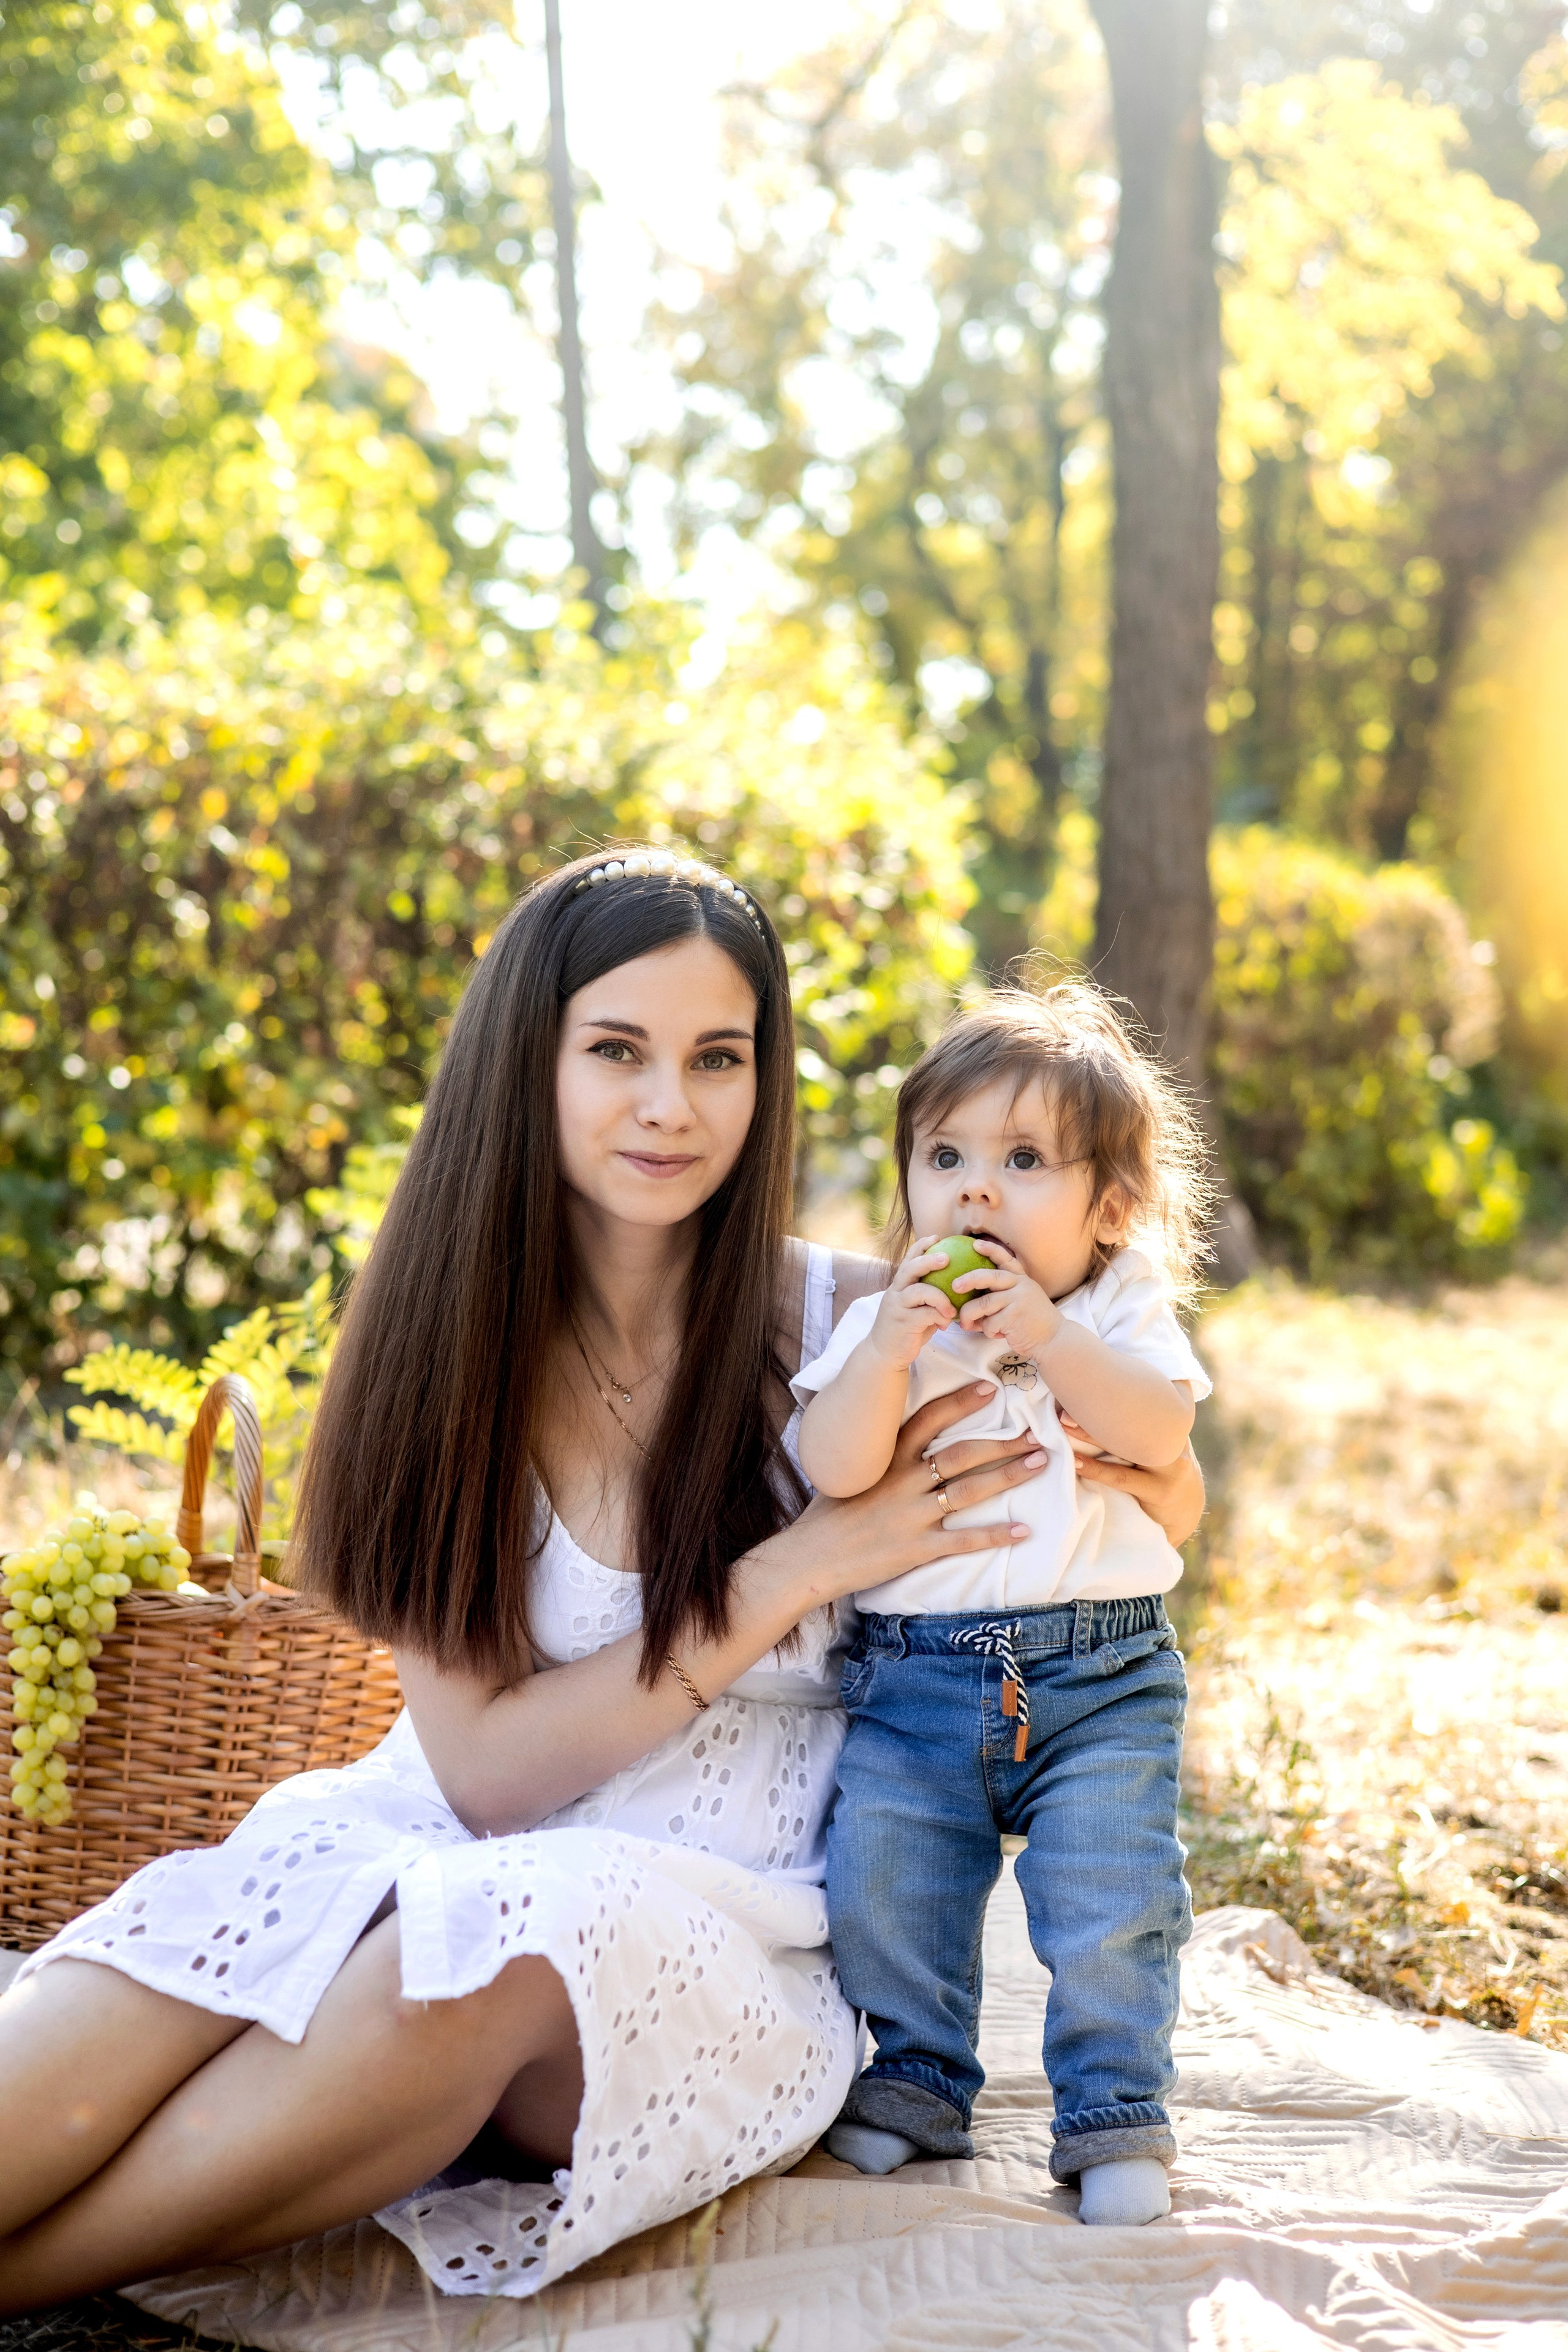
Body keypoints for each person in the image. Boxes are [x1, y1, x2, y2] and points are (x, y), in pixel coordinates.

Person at [0, 855, 1204, 2313]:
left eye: (718, 1058)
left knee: (468, 1959)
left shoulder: (867, 1323)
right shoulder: (441, 1346)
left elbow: (1151, 1489)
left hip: (726, 1923)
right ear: (530, 1061)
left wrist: (1153, 1477)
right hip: (428, 1829)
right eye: (615, 1051)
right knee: (168, 1969)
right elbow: (486, 1780)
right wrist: (802, 1567)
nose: (670, 1106)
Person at [793, 981, 1212, 2226]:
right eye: (945, 1155)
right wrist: (881, 1355)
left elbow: (1160, 1423)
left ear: (1110, 1209)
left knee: (1110, 1894)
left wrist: (1048, 1334)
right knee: (884, 1877)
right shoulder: (890, 1322)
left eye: (1023, 1160)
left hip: (1099, 1677)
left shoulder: (1117, 1307)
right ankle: (916, 2080)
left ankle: (1111, 2110)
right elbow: (834, 1468)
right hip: (914, 1683)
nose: (974, 1189)